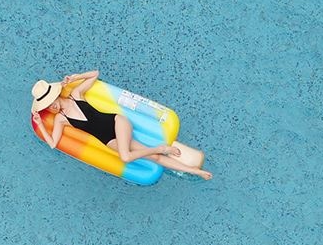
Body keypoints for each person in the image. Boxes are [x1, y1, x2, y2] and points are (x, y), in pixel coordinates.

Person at [31, 70, 212, 179]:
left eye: (51, 100)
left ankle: (161, 148)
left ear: (56, 94)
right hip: (107, 139)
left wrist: (77, 76)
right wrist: (40, 124)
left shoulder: (76, 94)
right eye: (48, 105)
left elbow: (95, 74)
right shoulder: (61, 120)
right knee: (154, 160)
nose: (52, 106)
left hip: (117, 122)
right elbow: (53, 144)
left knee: (126, 157)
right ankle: (194, 171)